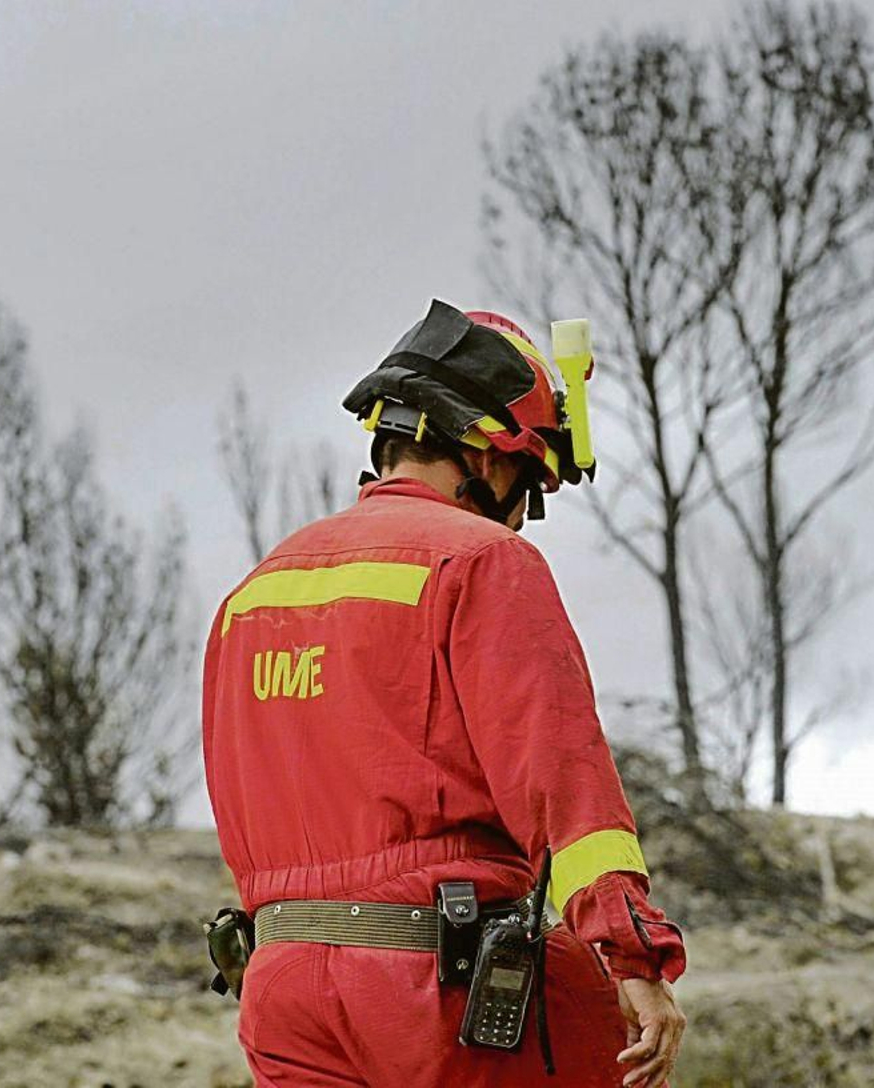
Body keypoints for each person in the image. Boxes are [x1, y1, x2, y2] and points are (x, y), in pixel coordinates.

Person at [202, 299, 687, 1087]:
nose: (524, 518)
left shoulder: (251, 597)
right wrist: (632, 954)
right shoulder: (483, 561)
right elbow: (562, 783)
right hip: (444, 991)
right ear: (489, 457)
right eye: (530, 486)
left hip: (283, 995)